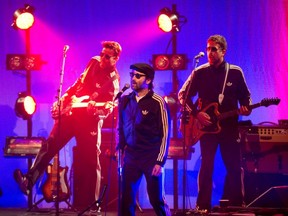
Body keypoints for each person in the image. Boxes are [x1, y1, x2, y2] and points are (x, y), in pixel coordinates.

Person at [14, 41, 122, 209]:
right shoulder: (93, 61)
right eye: (101, 54)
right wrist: (62, 101)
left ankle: (93, 205)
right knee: (49, 145)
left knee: (92, 161)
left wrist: (96, 110)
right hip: (71, 113)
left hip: (89, 120)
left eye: (107, 57)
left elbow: (108, 108)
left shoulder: (114, 80)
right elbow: (78, 84)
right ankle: (29, 182)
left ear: (116, 59)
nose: (102, 58)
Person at [178, 35, 252, 212]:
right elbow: (183, 96)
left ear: (223, 51)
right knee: (206, 166)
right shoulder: (200, 71)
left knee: (234, 165)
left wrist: (246, 109)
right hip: (207, 129)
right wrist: (197, 114)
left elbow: (246, 99)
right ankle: (202, 205)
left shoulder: (235, 71)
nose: (209, 52)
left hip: (229, 127)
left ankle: (237, 205)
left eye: (214, 49)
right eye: (208, 48)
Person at [117, 63, 171, 216]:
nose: (133, 78)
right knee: (126, 198)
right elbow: (121, 128)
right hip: (131, 157)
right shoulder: (125, 100)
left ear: (148, 79)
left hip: (151, 157)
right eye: (132, 75)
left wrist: (160, 161)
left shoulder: (157, 101)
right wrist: (119, 149)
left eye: (138, 76)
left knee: (156, 199)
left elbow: (165, 133)